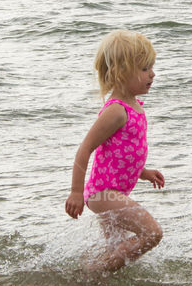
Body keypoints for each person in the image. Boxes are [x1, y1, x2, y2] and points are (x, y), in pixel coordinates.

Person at [65, 30, 165, 272]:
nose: (152, 74)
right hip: (103, 193)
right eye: (144, 69)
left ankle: (93, 279)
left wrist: (143, 172)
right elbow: (85, 148)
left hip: (114, 191)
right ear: (121, 73)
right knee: (152, 233)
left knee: (114, 246)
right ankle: (101, 269)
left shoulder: (134, 107)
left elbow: (121, 154)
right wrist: (76, 192)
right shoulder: (116, 111)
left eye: (151, 67)